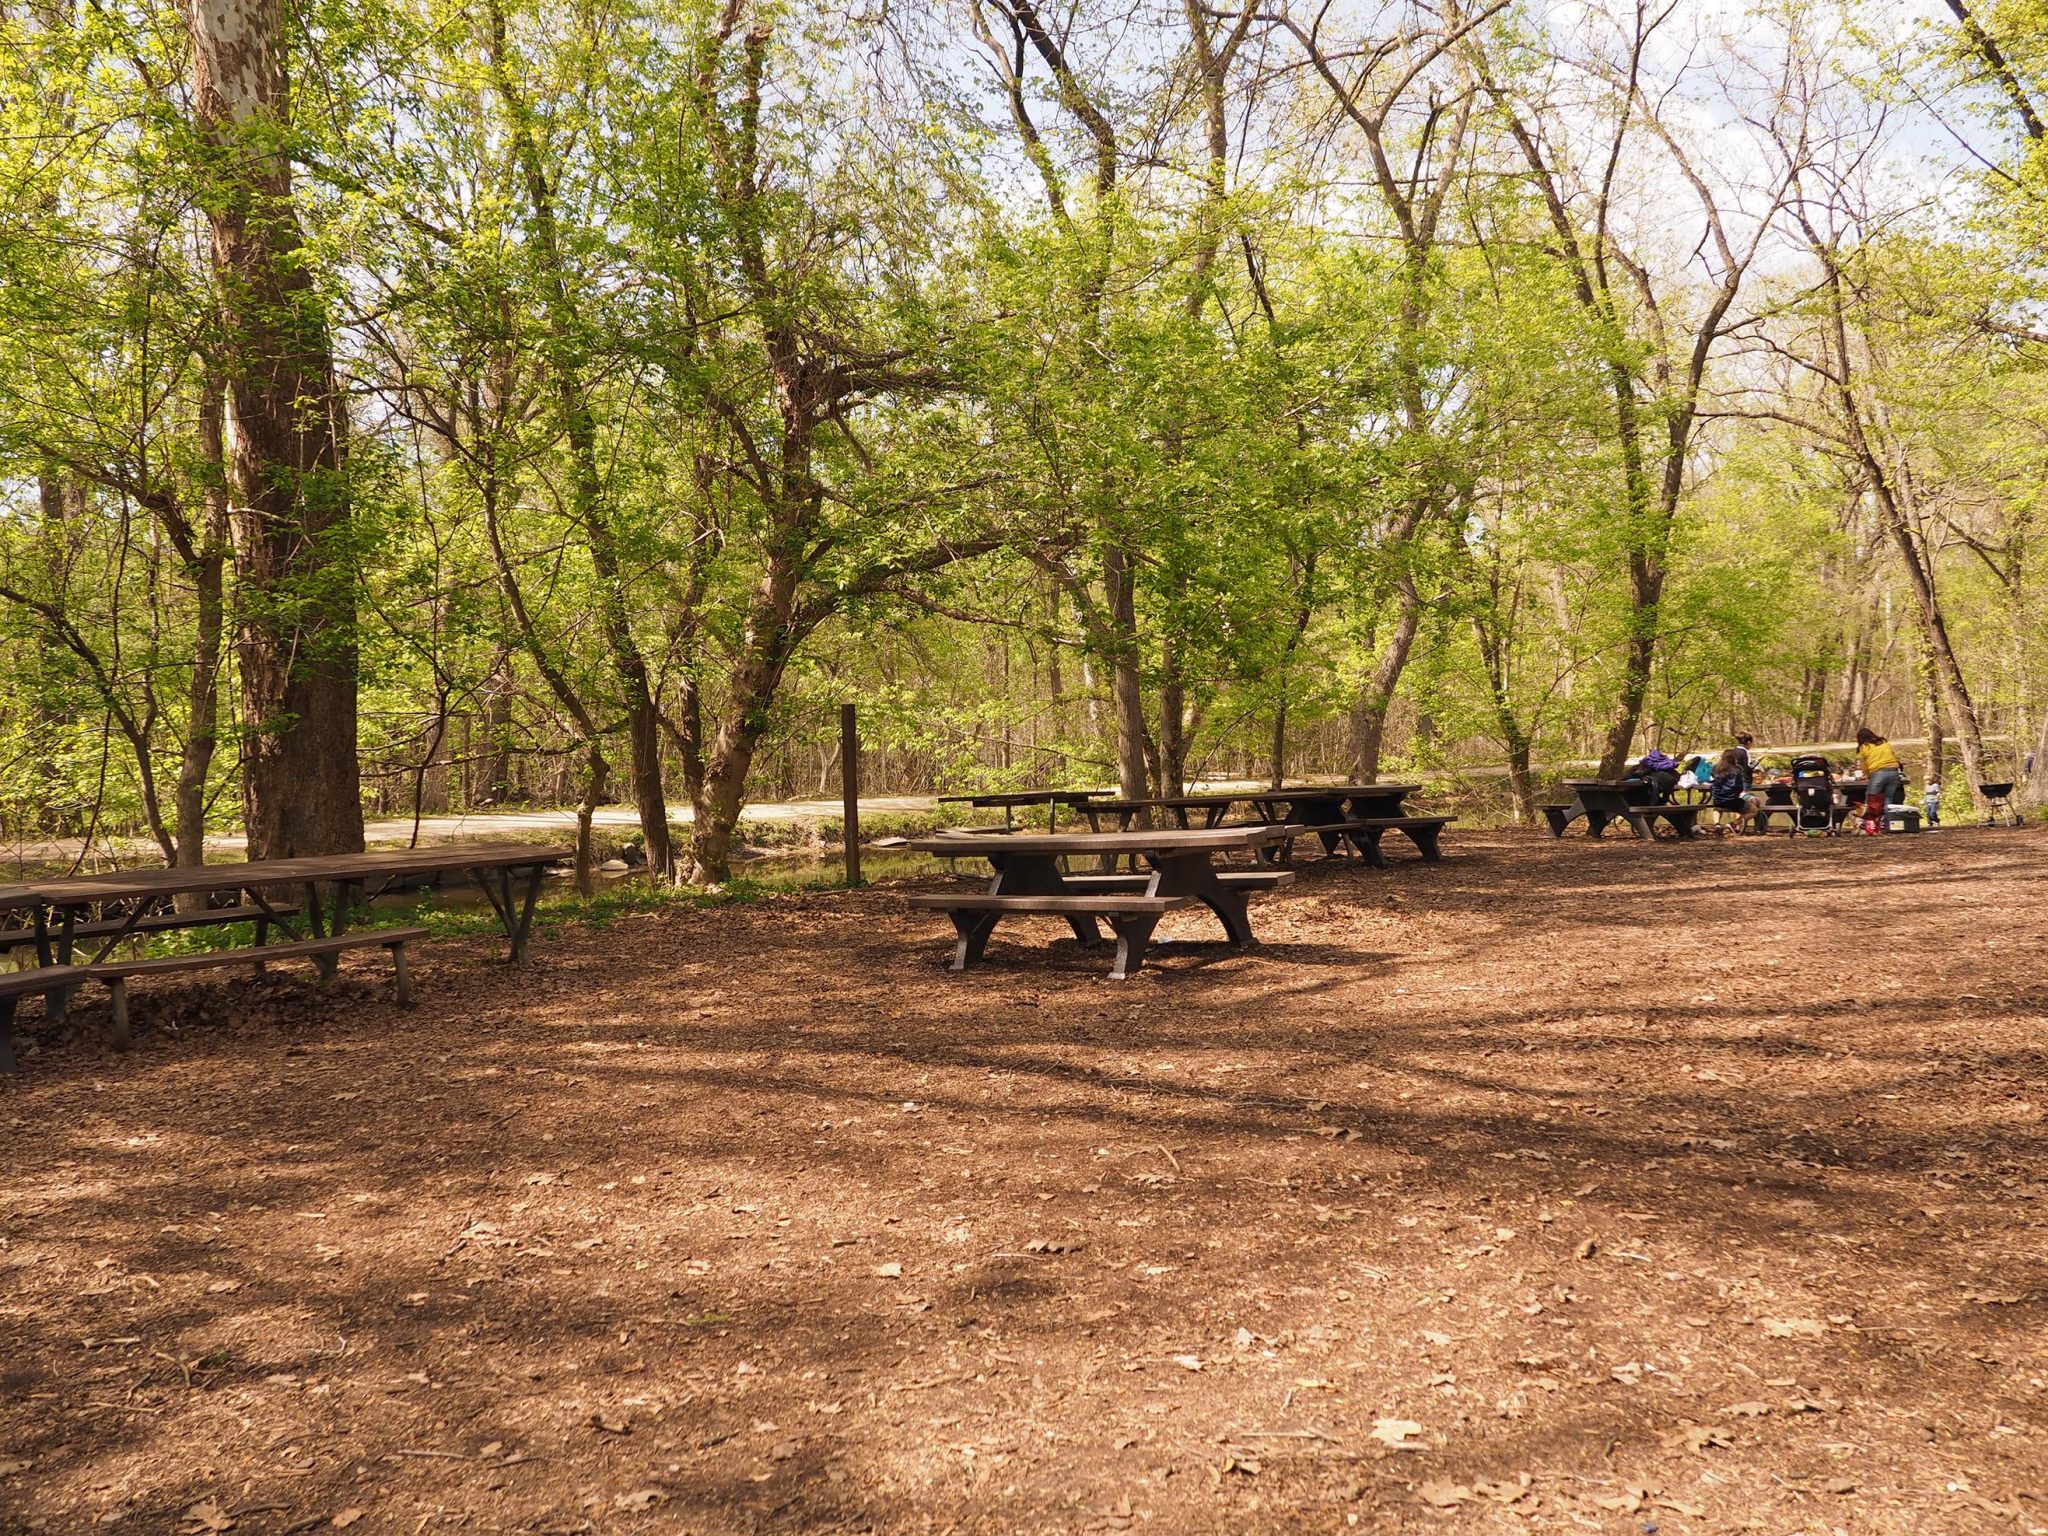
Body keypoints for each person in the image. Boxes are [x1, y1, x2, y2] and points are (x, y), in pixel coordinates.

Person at [1855, 727, 1905, 833]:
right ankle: (1886, 825)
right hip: (1894, 771)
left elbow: (1864, 765)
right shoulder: (1884, 743)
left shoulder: (1864, 747)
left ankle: (1865, 825)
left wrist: (1868, 775)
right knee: (1888, 800)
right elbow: (1894, 757)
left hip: (1878, 772)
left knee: (1871, 798)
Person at [1708, 748, 1761, 834]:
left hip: (1717, 799)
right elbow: (1739, 786)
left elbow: (1712, 782)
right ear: (1733, 758)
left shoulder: (1715, 768)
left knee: (1717, 808)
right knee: (1754, 811)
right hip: (1732, 800)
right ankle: (1733, 824)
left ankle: (1717, 824)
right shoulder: (1736, 770)